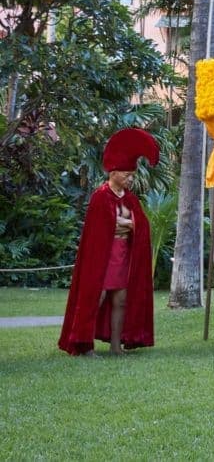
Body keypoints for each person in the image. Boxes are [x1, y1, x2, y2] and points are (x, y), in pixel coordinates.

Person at [59, 128, 159, 356]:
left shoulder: (131, 199)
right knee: (96, 297)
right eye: (127, 174)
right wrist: (124, 223)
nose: (130, 179)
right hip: (102, 257)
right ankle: (85, 345)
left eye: (132, 175)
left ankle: (116, 346)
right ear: (113, 172)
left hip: (123, 255)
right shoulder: (100, 196)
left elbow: (141, 225)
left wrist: (125, 223)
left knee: (121, 299)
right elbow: (102, 227)